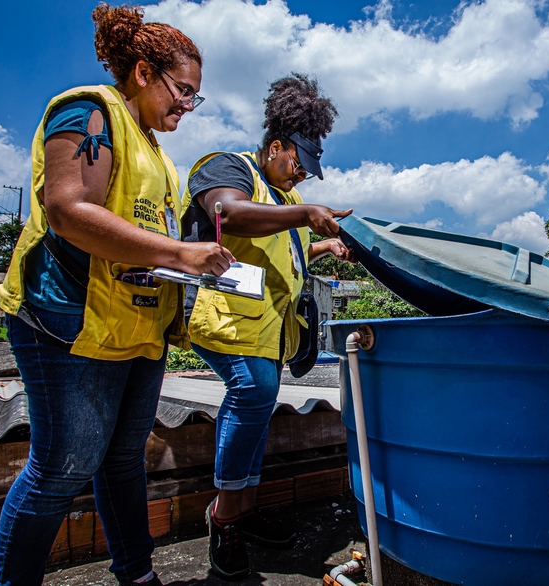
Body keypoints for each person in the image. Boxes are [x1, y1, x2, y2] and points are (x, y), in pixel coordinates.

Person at [0, 4, 234, 585]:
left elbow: (141, 237)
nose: (187, 105)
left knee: (124, 461)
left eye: (194, 96)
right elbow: (69, 211)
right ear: (144, 73)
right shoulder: (89, 112)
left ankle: (138, 574)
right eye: (183, 90)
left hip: (135, 328)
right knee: (61, 468)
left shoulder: (157, 153)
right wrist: (179, 255)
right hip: (69, 321)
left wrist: (186, 266)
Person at [181, 73, 353, 580]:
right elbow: (230, 216)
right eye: (297, 163)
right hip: (223, 316)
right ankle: (224, 518)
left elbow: (282, 254)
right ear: (275, 147)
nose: (300, 177)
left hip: (266, 328)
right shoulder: (228, 168)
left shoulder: (279, 202)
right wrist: (306, 213)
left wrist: (321, 246)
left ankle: (246, 510)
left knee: (260, 404)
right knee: (252, 391)